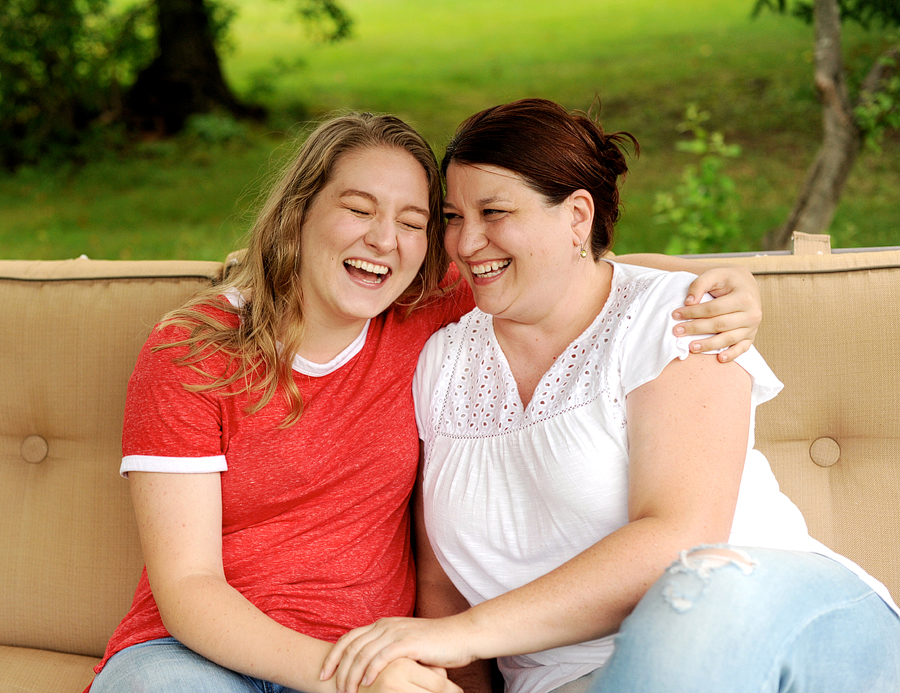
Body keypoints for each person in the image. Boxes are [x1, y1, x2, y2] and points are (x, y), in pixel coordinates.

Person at [87, 111, 762, 693]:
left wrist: (722, 285)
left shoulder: (418, 311)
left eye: (415, 221)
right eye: (358, 209)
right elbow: (189, 588)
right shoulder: (193, 351)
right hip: (204, 658)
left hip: (381, 656)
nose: (385, 239)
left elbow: (569, 270)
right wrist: (343, 673)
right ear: (299, 211)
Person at [320, 100, 900, 693]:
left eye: (494, 212)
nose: (467, 243)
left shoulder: (676, 318)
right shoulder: (440, 360)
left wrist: (466, 634)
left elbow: (681, 536)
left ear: (577, 217)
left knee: (702, 587)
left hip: (769, 626)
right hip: (576, 682)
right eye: (451, 216)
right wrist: (451, 659)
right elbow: (440, 589)